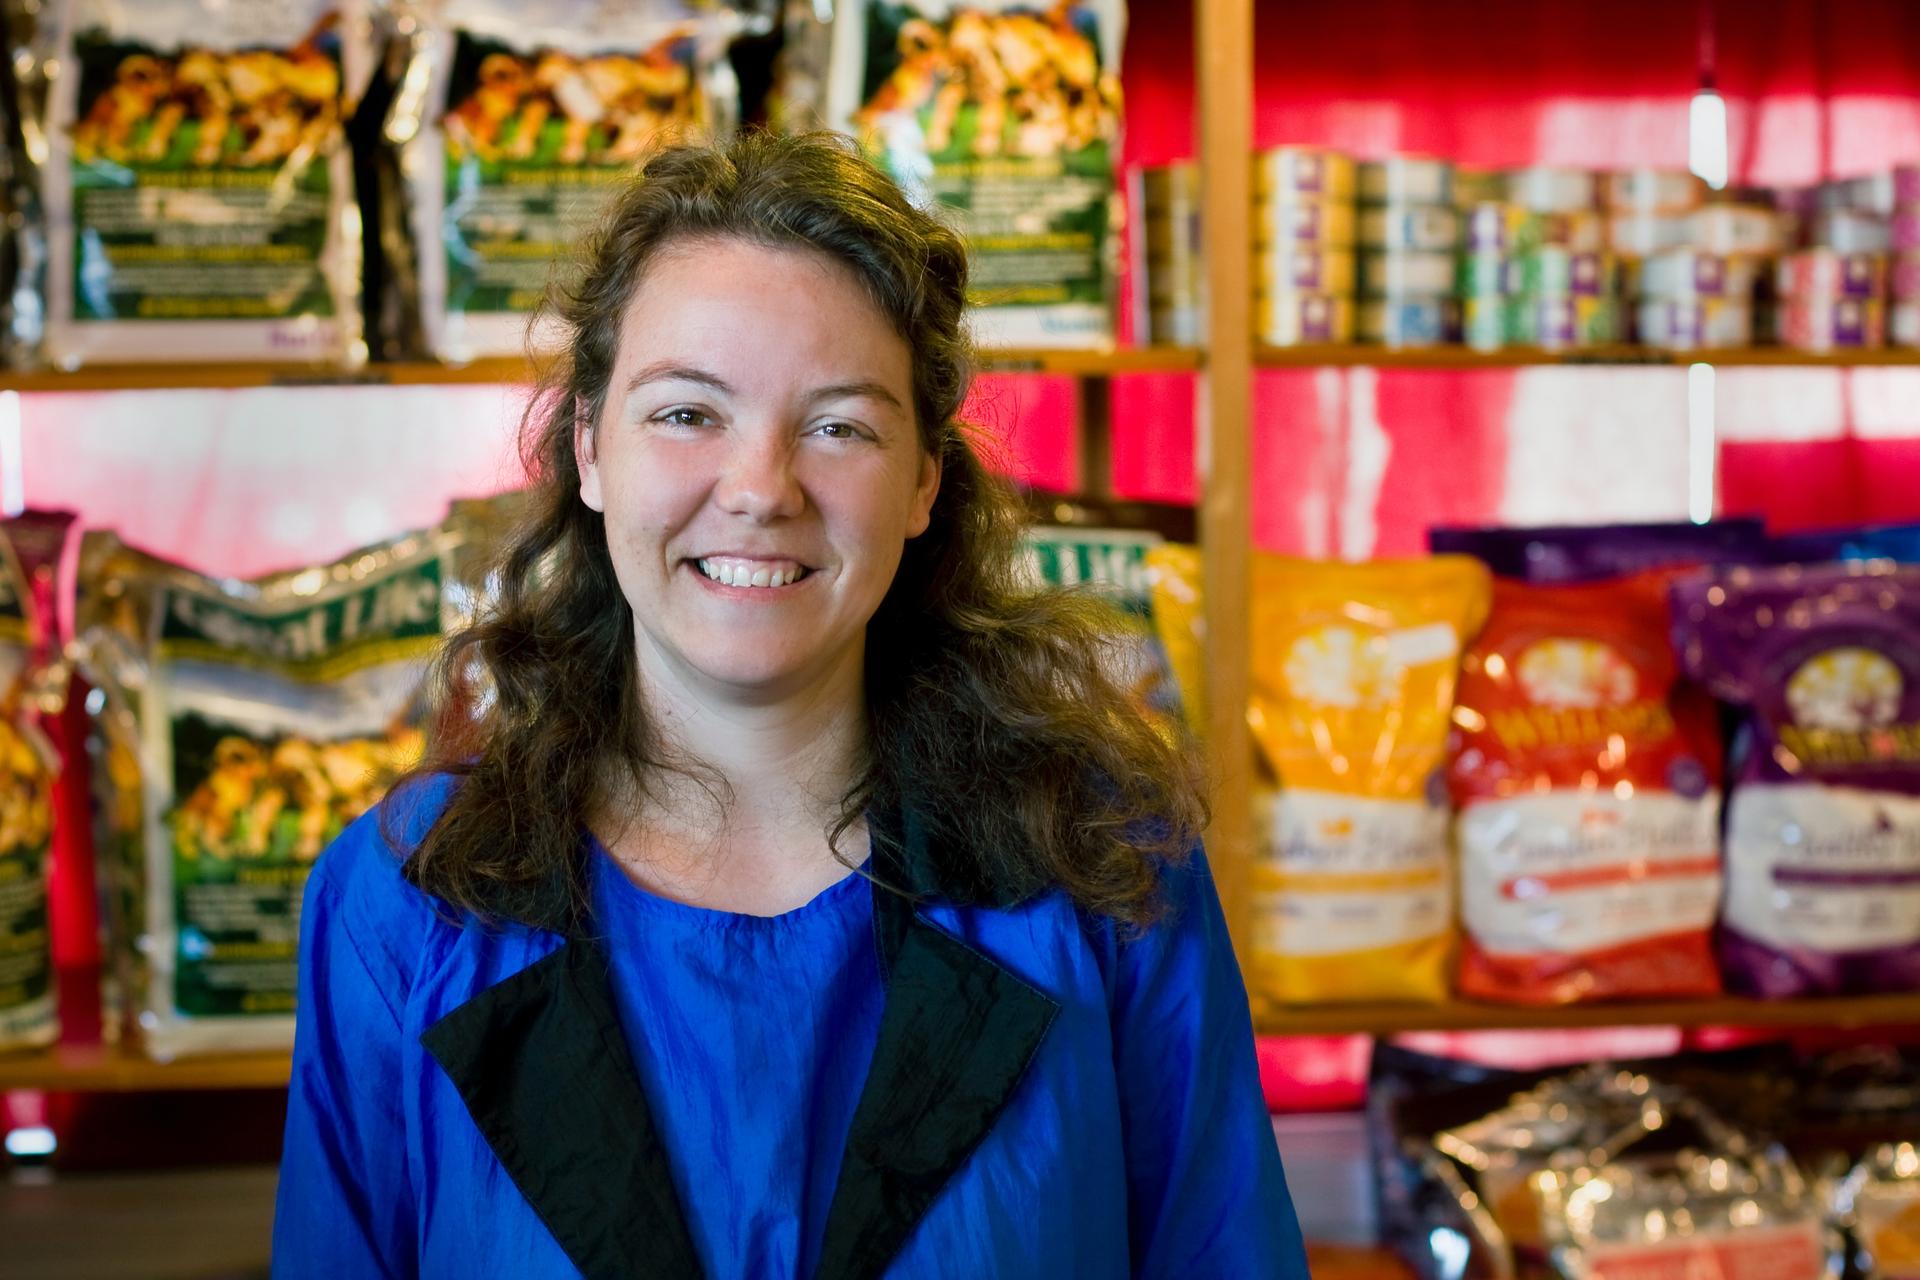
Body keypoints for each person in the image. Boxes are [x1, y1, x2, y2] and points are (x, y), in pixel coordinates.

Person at [271, 131, 1309, 1279]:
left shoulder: (1107, 867)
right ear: (589, 449)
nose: (761, 488)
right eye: (685, 413)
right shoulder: (401, 902)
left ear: (922, 482)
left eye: (839, 425)